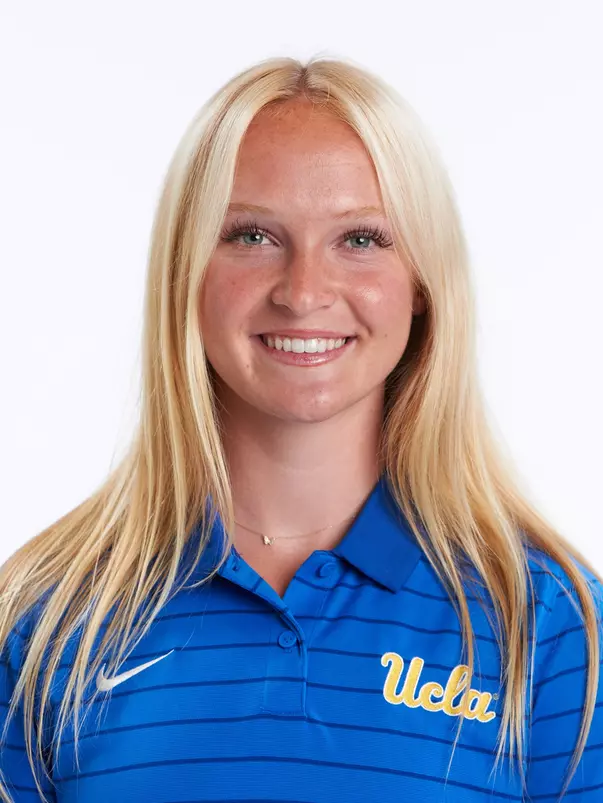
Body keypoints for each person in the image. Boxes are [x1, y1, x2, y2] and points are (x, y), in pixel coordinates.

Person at [1, 54, 602, 803]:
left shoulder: (546, 624)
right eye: (252, 235)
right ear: (184, 272)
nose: (304, 291)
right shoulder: (48, 618)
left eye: (360, 239)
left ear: (422, 281)